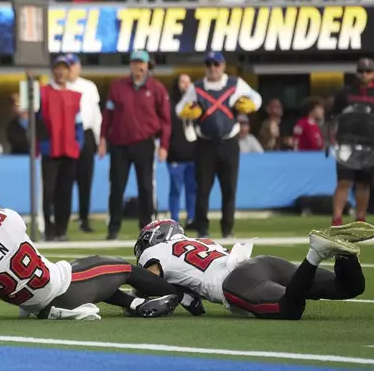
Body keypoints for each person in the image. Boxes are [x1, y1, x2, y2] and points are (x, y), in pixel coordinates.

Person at [0, 204, 180, 320]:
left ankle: (135, 303)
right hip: (64, 287)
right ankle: (180, 295)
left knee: (92, 277)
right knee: (122, 267)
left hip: (37, 305)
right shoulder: (10, 224)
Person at [133, 219, 368, 320]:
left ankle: (315, 253)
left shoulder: (154, 253)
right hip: (261, 263)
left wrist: (134, 298)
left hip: (236, 281)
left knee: (290, 308)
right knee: (347, 286)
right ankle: (345, 254)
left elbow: (149, 281)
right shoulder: (202, 241)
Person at [176, 51, 262, 238]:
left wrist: (250, 106)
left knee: (229, 187)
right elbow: (179, 108)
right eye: (209, 64)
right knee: (203, 188)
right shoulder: (196, 87)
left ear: (222, 66)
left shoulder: (235, 83)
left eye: (216, 64)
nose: (213, 68)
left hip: (229, 141)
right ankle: (202, 230)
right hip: (205, 143)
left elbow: (257, 98)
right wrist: (188, 111)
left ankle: (227, 229)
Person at [100, 50, 171, 240]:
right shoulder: (117, 87)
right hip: (119, 144)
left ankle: (146, 229)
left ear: (148, 65)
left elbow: (166, 120)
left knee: (146, 187)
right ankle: (113, 228)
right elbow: (108, 116)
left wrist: (164, 145)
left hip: (144, 143)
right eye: (135, 63)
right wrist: (102, 139)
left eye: (142, 63)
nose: (138, 67)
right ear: (130, 65)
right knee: (116, 187)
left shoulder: (156, 88)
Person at [37, 55, 83, 241]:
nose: (61, 72)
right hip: (50, 150)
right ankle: (49, 229)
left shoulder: (75, 95)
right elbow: (34, 120)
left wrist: (78, 145)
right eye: (58, 68)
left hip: (69, 151)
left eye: (64, 68)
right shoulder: (42, 92)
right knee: (49, 192)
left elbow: (79, 124)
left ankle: (62, 230)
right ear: (53, 71)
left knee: (65, 191)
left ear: (69, 71)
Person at [330, 58, 374, 226]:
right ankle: (337, 219)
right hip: (346, 142)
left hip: (369, 144)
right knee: (344, 181)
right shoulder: (344, 93)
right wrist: (332, 139)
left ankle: (360, 219)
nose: (364, 74)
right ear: (356, 72)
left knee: (363, 183)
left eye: (368, 71)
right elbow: (333, 116)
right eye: (361, 71)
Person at [66, 54, 101, 233]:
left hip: (86, 134)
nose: (71, 69)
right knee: (65, 180)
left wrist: (99, 139)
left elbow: (96, 115)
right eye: (68, 66)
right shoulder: (59, 86)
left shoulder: (89, 86)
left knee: (85, 180)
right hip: (67, 134)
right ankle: (62, 219)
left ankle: (84, 219)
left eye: (73, 65)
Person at [167, 73, 196, 228]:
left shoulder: (197, 103)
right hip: (176, 155)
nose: (184, 85)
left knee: (192, 190)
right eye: (181, 82)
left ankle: (191, 218)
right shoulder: (171, 104)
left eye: (187, 81)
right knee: (176, 189)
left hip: (193, 154)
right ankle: (174, 221)